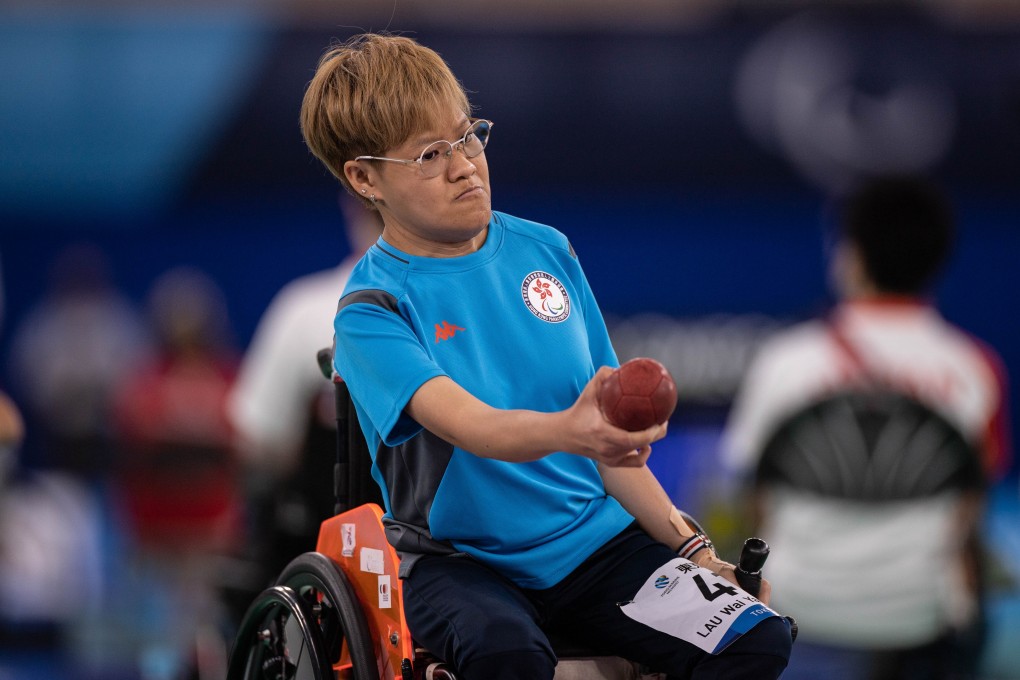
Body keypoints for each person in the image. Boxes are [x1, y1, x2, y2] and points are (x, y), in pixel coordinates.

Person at [299, 33, 792, 680]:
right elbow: (474, 427)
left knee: (756, 638)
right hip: (462, 566)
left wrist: (694, 549)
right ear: (365, 178)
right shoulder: (371, 311)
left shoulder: (547, 251)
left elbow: (611, 450)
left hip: (596, 550)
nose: (464, 165)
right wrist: (575, 431)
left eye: (468, 135)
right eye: (429, 155)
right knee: (510, 656)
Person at [721, 175, 1011, 679]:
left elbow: (752, 500)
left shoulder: (785, 363)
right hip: (921, 617)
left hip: (798, 607)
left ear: (851, 256)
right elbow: (971, 508)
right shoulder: (975, 369)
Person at [227, 194, 383, 580]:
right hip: (331, 557)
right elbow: (260, 442)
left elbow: (261, 441)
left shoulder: (305, 310)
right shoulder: (305, 311)